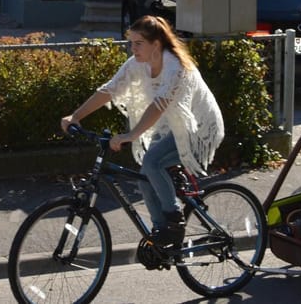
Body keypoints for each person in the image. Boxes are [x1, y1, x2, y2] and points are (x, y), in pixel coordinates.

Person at [61, 15, 225, 249]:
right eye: (131, 42)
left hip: (198, 127)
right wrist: (75, 116)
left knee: (152, 163)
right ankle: (160, 236)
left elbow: (159, 105)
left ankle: (174, 222)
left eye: (138, 43)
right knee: (146, 174)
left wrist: (130, 135)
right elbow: (110, 90)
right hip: (170, 127)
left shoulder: (175, 66)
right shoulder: (137, 64)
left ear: (155, 45)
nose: (132, 48)